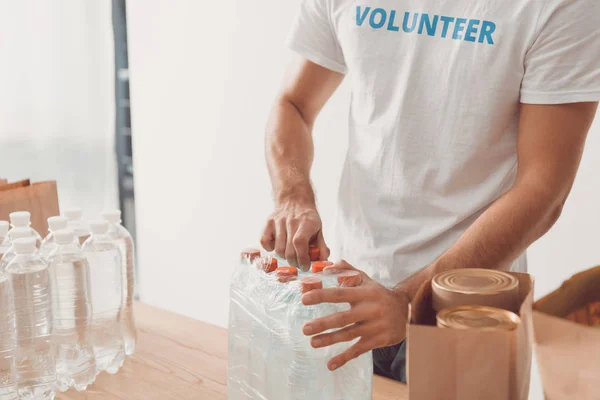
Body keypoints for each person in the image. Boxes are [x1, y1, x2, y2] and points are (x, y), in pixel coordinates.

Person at [260, 0, 600, 383]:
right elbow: (293, 104)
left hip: (469, 314)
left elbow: (544, 189)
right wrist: (293, 197)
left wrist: (409, 299)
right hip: (348, 291)